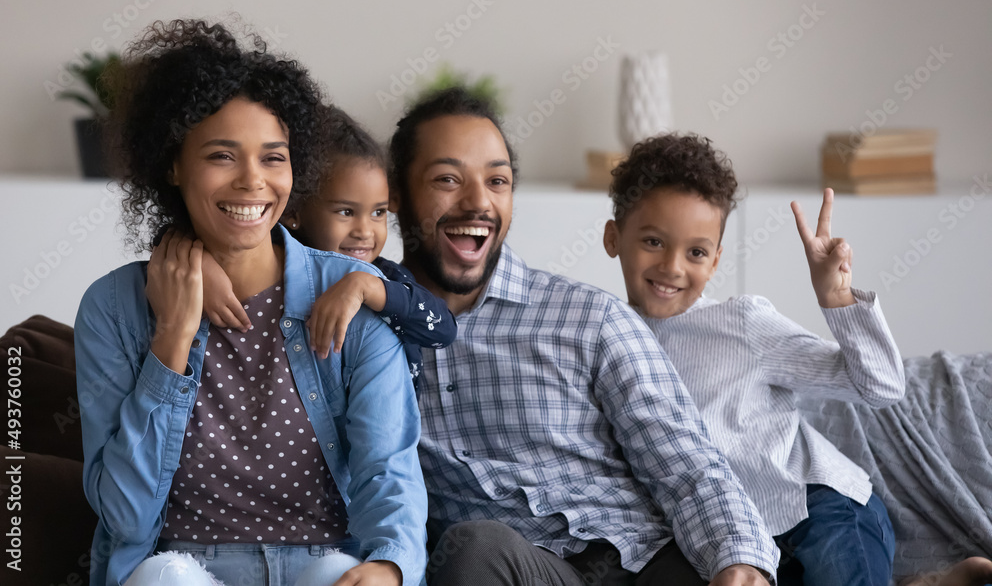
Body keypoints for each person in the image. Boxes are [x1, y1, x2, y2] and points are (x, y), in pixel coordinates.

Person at [74, 19, 426, 586]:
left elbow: (389, 470)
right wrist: (171, 340)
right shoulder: (113, 309)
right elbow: (123, 513)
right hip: (181, 568)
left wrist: (389, 566)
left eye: (272, 157)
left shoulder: (350, 298)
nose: (252, 181)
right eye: (221, 155)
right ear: (172, 164)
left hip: (323, 562)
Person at [386, 87, 780, 585]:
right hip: (528, 571)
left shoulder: (590, 318)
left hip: (647, 561)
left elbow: (688, 465)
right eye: (447, 179)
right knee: (472, 547)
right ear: (394, 194)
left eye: (498, 181)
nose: (478, 202)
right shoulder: (369, 338)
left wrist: (740, 563)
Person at [600, 133, 904, 586]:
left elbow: (879, 387)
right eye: (653, 241)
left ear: (716, 260)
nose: (673, 267)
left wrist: (836, 296)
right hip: (734, 545)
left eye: (696, 252)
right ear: (614, 238)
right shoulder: (604, 341)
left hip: (816, 508)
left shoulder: (741, 324)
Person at [201, 107, 457, 386]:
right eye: (346, 212)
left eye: (378, 212)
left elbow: (443, 330)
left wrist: (364, 286)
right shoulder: (271, 268)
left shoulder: (386, 278)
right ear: (293, 212)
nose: (365, 231)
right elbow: (210, 235)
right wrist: (200, 262)